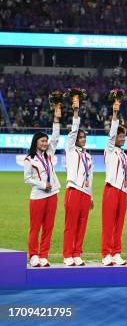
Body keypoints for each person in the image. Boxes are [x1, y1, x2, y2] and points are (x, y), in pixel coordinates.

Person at [23, 104, 61, 267]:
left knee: (48, 227)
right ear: (36, 142)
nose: (46, 143)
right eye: (43, 141)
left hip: (52, 195)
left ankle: (44, 254)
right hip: (38, 197)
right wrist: (41, 184)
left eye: (46, 141)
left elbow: (56, 137)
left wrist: (56, 119)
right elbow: (27, 179)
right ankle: (33, 255)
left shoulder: (49, 154)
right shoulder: (29, 159)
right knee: (35, 228)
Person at [63, 99, 94, 266]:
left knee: (82, 225)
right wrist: (75, 112)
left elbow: (91, 177)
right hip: (74, 190)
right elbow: (73, 131)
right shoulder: (71, 150)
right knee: (71, 224)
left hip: (85, 193)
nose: (83, 139)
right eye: (80, 137)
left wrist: (91, 196)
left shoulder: (88, 156)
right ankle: (68, 254)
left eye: (84, 137)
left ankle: (77, 253)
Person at [101, 101, 127, 266]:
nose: (122, 138)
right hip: (111, 189)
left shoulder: (124, 155)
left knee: (119, 225)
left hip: (123, 192)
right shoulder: (110, 150)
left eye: (124, 136)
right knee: (108, 224)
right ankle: (106, 254)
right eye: (120, 136)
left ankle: (116, 253)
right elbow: (112, 135)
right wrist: (115, 114)